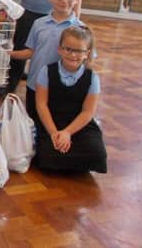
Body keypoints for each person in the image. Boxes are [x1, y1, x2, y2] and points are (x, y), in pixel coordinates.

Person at [8, 0, 84, 120]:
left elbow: (85, 64)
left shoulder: (81, 30)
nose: (64, 0)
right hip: (34, 84)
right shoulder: (39, 24)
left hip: (61, 89)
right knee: (33, 120)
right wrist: (9, 53)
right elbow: (31, 52)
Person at [34, 26, 107, 173]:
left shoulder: (92, 78)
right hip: (52, 121)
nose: (73, 55)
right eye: (68, 49)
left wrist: (67, 133)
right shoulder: (46, 71)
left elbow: (87, 112)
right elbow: (41, 105)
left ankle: (69, 160)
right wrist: (54, 133)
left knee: (98, 154)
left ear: (87, 54)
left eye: (79, 51)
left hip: (78, 123)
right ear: (59, 49)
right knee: (46, 156)